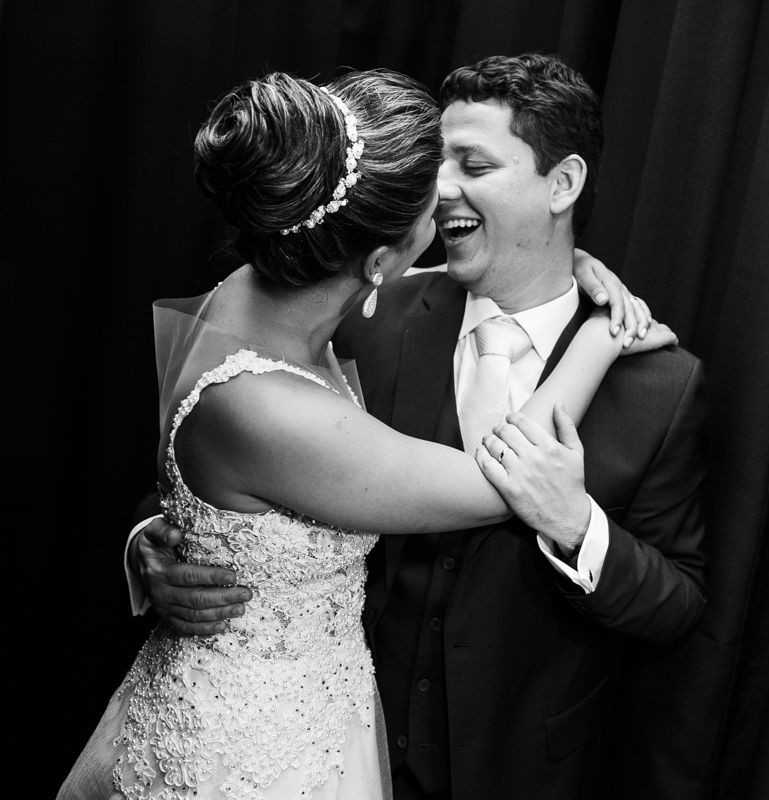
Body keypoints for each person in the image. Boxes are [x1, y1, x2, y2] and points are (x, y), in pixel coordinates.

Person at [61, 68, 669, 800]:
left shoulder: (263, 292)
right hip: (258, 748)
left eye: (472, 166)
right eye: (433, 182)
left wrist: (567, 268)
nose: (445, 191)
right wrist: (599, 339)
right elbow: (503, 479)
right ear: (378, 263)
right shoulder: (294, 384)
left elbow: (677, 598)